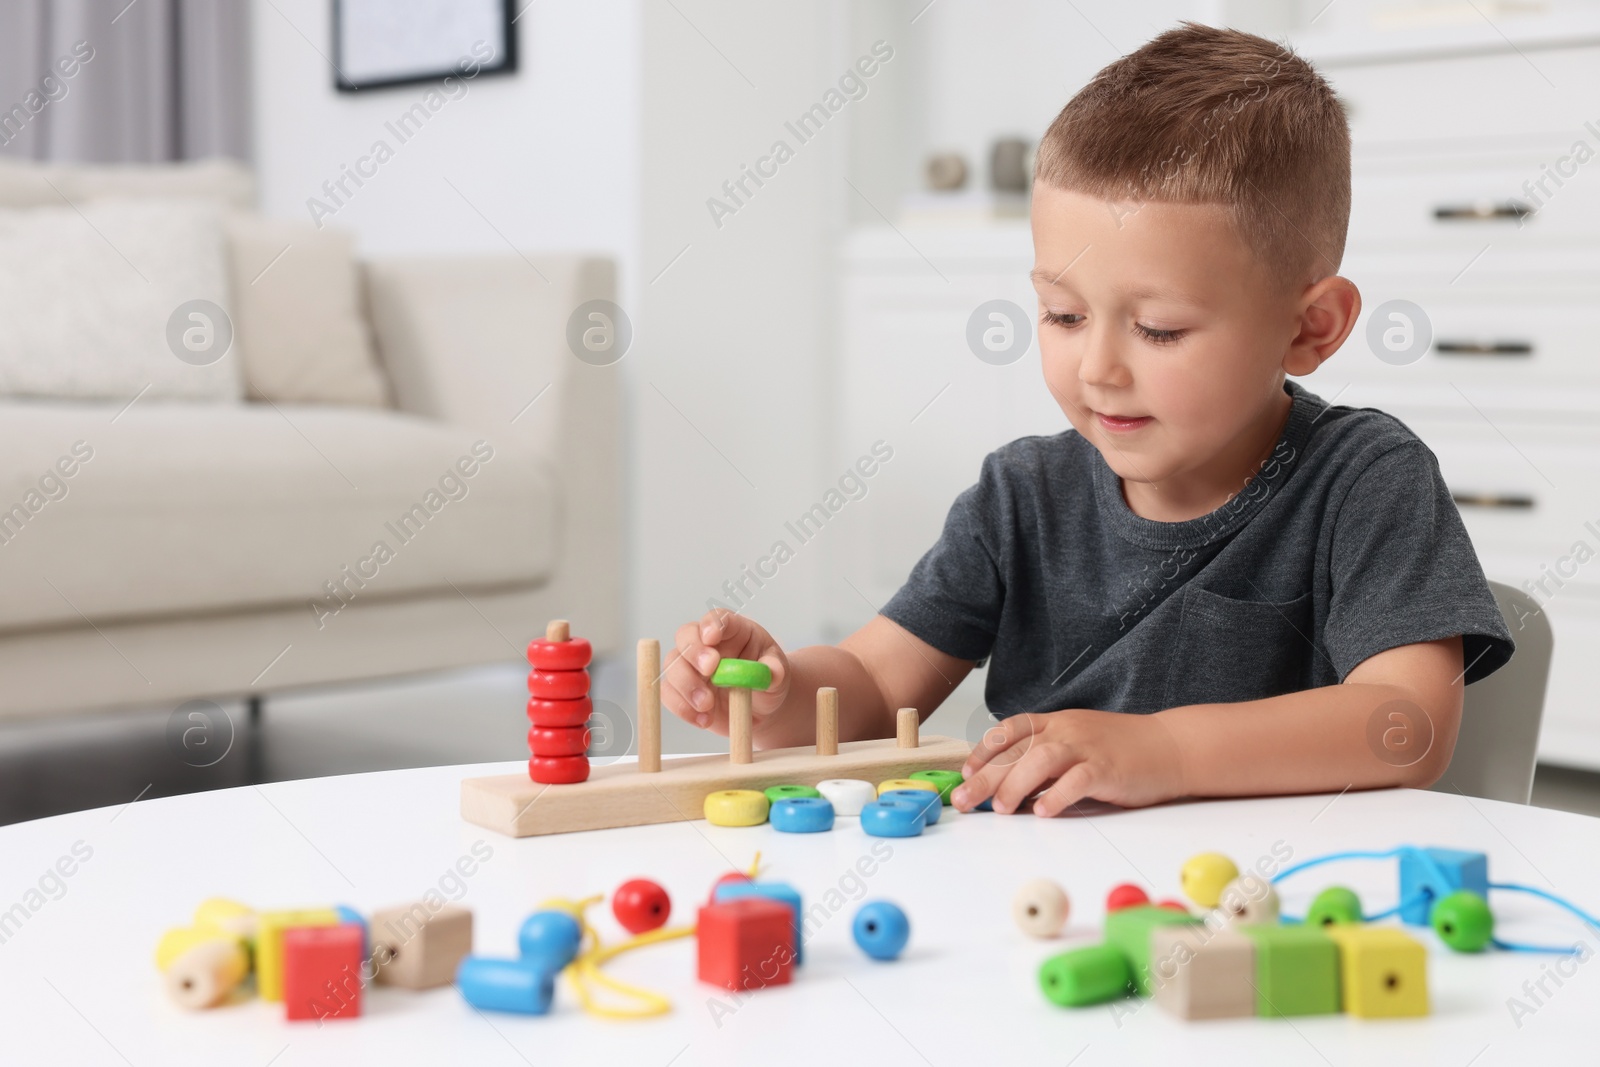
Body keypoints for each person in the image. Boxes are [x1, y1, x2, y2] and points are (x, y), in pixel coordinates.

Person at [663, 22, 1514, 818]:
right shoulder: (1021, 496)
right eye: (1064, 315)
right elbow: (875, 687)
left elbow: (1407, 724)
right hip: (1047, 913)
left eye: (1159, 329)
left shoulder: (1365, 479)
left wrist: (1165, 749)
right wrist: (776, 696)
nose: (1098, 368)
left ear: (1309, 327)